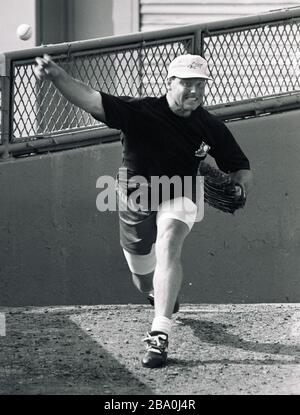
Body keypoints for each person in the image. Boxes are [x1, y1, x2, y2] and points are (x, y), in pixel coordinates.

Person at [34, 53, 253, 368]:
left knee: (169, 243)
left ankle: (160, 332)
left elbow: (240, 166)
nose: (194, 91)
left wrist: (240, 185)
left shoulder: (210, 127)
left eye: (200, 85)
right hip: (133, 200)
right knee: (143, 280)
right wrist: (56, 75)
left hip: (180, 193)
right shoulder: (140, 112)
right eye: (187, 83)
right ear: (170, 82)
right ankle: (160, 295)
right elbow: (90, 100)